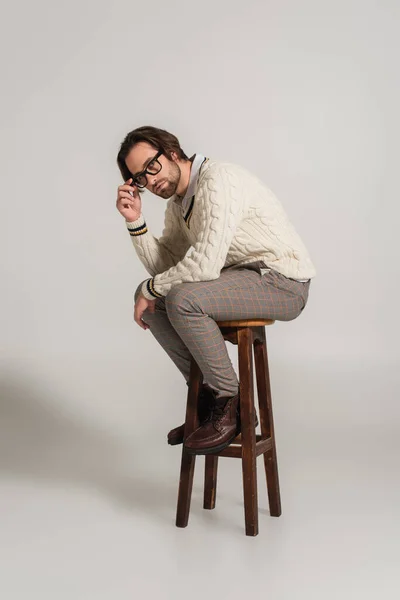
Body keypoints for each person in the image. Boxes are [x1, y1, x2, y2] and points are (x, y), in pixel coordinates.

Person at [116, 125, 316, 455]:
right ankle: (207, 401)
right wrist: (135, 221)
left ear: (173, 153)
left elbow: (204, 267)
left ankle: (232, 405)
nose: (150, 181)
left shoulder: (217, 180)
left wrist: (150, 287)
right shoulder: (178, 205)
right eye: (140, 178)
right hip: (243, 278)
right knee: (158, 303)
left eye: (151, 166)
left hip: (283, 281)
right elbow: (166, 269)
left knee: (180, 298)